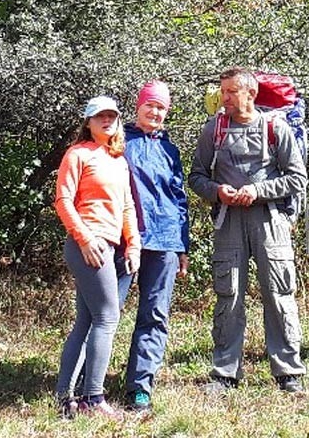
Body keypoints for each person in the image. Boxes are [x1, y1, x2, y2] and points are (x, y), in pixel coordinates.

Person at [188, 67, 308, 394]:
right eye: (222, 91)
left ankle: (288, 373)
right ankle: (225, 374)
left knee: (279, 294)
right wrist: (217, 191)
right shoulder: (213, 129)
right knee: (229, 295)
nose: (223, 98)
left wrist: (258, 191)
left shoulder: (275, 128)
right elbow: (196, 177)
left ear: (250, 94)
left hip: (270, 221)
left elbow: (297, 179)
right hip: (229, 220)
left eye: (230, 92)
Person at [53, 95, 140, 418]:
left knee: (87, 320)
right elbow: (62, 200)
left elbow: (127, 205)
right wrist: (85, 238)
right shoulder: (77, 154)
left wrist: (133, 244)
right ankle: (93, 398)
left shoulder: (118, 159)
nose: (106, 121)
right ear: (88, 123)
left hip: (112, 246)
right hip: (88, 245)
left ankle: (64, 398)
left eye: (112, 116)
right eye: (99, 116)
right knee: (107, 317)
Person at [119, 81, 190, 413]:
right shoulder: (119, 141)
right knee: (105, 314)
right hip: (121, 239)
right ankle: (85, 385)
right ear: (139, 106)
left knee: (155, 315)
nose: (155, 112)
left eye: (161, 108)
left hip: (164, 241)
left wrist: (182, 246)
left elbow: (179, 200)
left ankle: (140, 388)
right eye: (151, 105)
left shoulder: (170, 151)